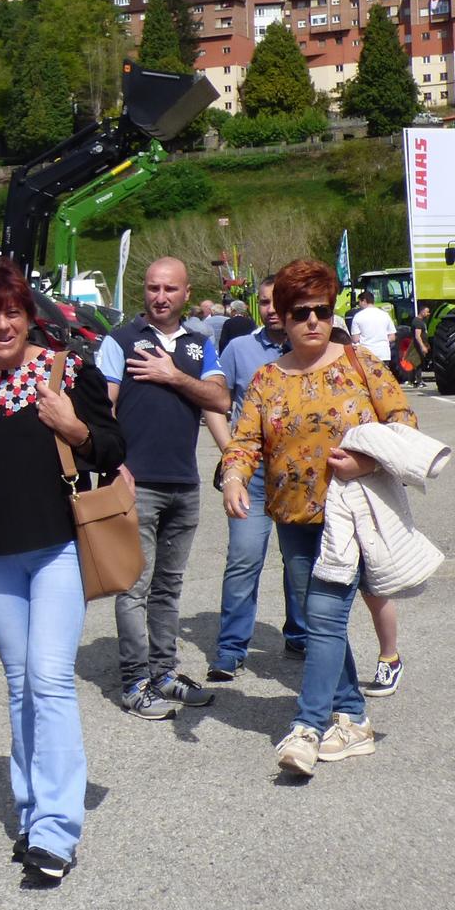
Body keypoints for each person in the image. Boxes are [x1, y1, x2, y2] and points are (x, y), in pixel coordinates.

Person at [0, 260, 123, 888]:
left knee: (49, 680)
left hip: (57, 549)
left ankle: (59, 832)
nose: (3, 324)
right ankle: (33, 811)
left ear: (29, 316)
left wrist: (75, 428)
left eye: (12, 312)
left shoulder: (65, 372)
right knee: (17, 686)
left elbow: (113, 449)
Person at [220, 258, 416, 777]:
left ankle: (307, 726)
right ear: (281, 318)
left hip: (350, 514)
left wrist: (368, 460)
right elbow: (244, 440)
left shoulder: (360, 365)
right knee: (318, 619)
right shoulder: (266, 378)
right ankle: (352, 717)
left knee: (324, 619)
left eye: (321, 310)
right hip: (293, 517)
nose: (312, 321)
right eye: (299, 312)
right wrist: (235, 478)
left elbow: (403, 420)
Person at [98, 257, 230, 719]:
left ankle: (164, 673)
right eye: (153, 287)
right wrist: (114, 464)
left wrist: (173, 376)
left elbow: (219, 399)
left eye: (170, 289)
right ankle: (135, 682)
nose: (160, 296)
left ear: (186, 293)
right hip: (137, 483)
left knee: (169, 588)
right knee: (134, 587)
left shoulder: (199, 344)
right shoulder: (121, 342)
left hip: (184, 483)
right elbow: (102, 408)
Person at [206, 275, 299, 682]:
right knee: (244, 559)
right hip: (253, 474)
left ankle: (301, 635)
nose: (271, 309)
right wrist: (231, 455)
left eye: (278, 301)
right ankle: (231, 647)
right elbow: (214, 402)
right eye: (264, 302)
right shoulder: (239, 349)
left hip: (299, 474)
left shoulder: (311, 348)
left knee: (301, 563)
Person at [348, 288, 396, 365]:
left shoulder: (358, 316)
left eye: (359, 302)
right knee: (384, 377)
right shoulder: (385, 315)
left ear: (364, 301)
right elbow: (392, 337)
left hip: (367, 355)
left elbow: (355, 339)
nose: (358, 305)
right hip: (384, 354)